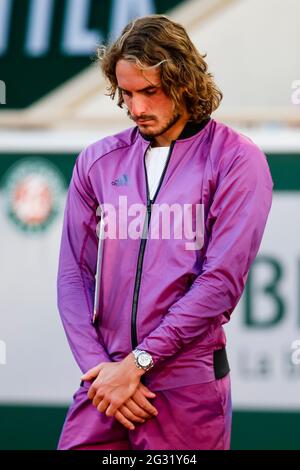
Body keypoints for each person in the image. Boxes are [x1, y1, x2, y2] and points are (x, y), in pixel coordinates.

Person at [56, 15, 273, 450]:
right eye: (127, 93)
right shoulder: (98, 162)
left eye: (149, 91)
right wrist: (103, 369)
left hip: (185, 390)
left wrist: (137, 364)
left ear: (184, 81)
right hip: (106, 386)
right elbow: (73, 277)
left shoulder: (236, 160)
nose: (136, 108)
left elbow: (220, 284)